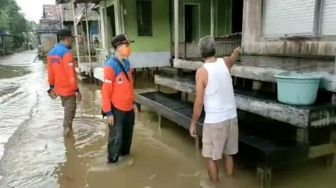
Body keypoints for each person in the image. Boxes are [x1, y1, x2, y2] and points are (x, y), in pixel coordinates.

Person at [189, 36, 241, 182]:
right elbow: (234, 57)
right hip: (231, 118)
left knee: (211, 157)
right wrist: (237, 51)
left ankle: (215, 185)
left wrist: (193, 122)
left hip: (214, 122)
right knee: (229, 154)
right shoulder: (225, 62)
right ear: (214, 50)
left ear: (201, 53)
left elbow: (199, 102)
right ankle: (231, 183)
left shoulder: (202, 72)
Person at [102, 34, 138, 163]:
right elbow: (105, 90)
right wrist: (108, 112)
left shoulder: (127, 63)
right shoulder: (110, 66)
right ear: (118, 47)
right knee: (116, 138)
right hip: (116, 109)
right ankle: (112, 162)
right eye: (126, 45)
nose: (129, 47)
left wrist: (133, 102)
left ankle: (126, 160)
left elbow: (129, 86)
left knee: (127, 138)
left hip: (129, 108)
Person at [47, 29, 82, 136]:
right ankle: (68, 141)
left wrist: (51, 87)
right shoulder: (67, 53)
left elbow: (50, 72)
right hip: (69, 90)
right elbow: (70, 74)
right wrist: (76, 90)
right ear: (67, 38)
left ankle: (68, 133)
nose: (72, 41)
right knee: (70, 114)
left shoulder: (51, 53)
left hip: (59, 90)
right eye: (71, 38)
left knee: (68, 111)